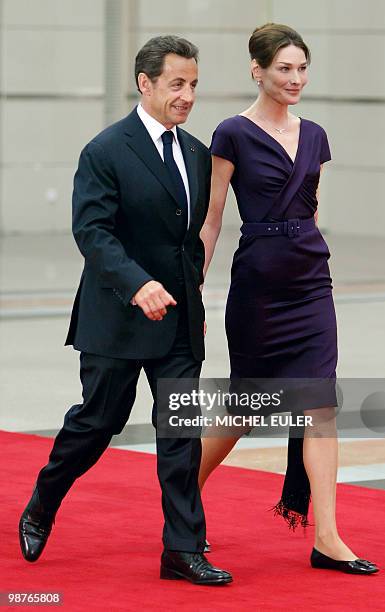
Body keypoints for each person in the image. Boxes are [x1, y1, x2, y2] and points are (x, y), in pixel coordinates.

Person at [18, 35, 232, 586]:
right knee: (98, 423)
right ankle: (43, 502)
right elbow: (92, 232)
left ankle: (181, 550)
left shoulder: (196, 153)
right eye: (177, 84)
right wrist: (139, 286)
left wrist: (194, 296)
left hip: (180, 318)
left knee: (180, 433)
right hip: (117, 315)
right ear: (146, 83)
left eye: (194, 85)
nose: (187, 95)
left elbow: (189, 238)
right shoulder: (105, 150)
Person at [198, 23, 378, 575]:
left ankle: (327, 537)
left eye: (301, 68)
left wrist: (309, 257)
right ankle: (182, 497)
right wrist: (194, 287)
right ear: (258, 70)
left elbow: (312, 208)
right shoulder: (230, 133)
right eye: (284, 68)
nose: (295, 78)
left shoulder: (317, 135)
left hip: (310, 284)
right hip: (257, 286)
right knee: (246, 408)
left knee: (319, 405)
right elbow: (211, 220)